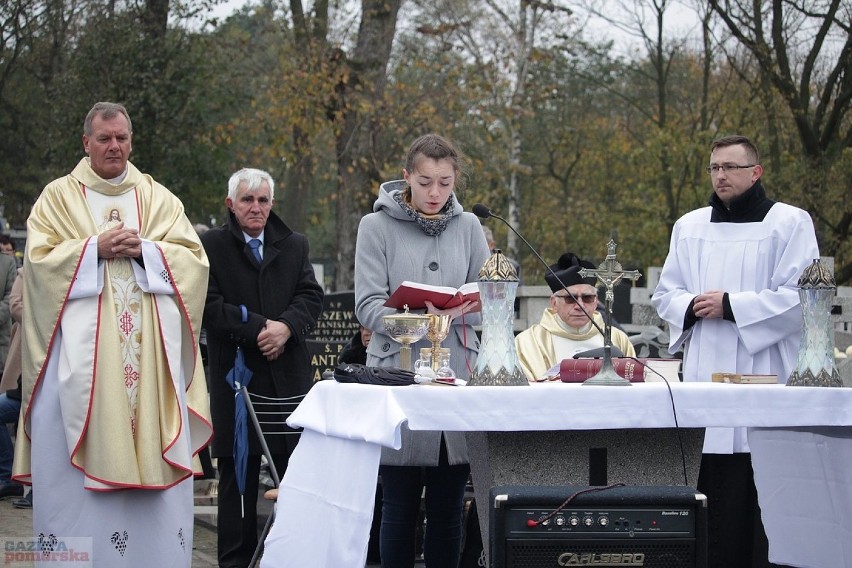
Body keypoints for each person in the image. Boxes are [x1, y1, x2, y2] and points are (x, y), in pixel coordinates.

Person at [13, 101, 212, 565]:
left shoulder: (159, 198)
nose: (115, 147)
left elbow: (193, 261)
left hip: (150, 374)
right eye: (104, 139)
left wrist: (148, 252)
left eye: (122, 138)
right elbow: (38, 264)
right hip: (83, 372)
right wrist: (91, 250)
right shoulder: (57, 198)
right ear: (86, 143)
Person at [652, 135, 819, 568]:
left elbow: (803, 297)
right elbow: (666, 293)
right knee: (713, 496)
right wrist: (690, 306)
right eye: (714, 168)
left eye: (730, 167)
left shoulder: (790, 223)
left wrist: (732, 306)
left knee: (763, 494)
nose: (720, 175)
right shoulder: (689, 226)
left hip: (766, 370)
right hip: (708, 371)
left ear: (755, 172)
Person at [355, 133, 490, 568]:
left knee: (450, 505)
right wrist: (421, 321)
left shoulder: (469, 227)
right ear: (406, 176)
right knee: (399, 505)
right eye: (426, 181)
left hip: (456, 377)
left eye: (446, 183)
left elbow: (488, 299)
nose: (435, 193)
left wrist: (461, 310)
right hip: (399, 374)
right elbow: (368, 305)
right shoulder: (374, 227)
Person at [201, 167, 324, 568]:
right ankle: (236, 560)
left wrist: (286, 327)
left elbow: (310, 297)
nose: (256, 208)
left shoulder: (294, 245)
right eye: (247, 200)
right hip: (237, 379)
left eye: (263, 200)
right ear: (230, 204)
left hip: (287, 377)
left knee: (293, 473)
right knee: (239, 475)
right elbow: (208, 305)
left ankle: (289, 555)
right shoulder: (210, 247)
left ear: (272, 203)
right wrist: (259, 330)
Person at [514, 252, 635, 381]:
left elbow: (634, 384)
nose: (580, 305)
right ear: (554, 303)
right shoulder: (529, 342)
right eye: (570, 298)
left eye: (587, 298)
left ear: (595, 302)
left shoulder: (617, 338)